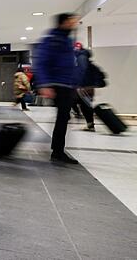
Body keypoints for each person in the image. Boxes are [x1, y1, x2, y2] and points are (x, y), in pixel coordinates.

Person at [34, 13, 81, 164]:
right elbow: (41, 62)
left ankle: (57, 149)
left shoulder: (67, 40)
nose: (74, 24)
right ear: (64, 23)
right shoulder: (53, 39)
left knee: (64, 117)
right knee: (63, 117)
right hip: (58, 84)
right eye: (71, 21)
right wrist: (44, 84)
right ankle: (58, 151)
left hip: (67, 84)